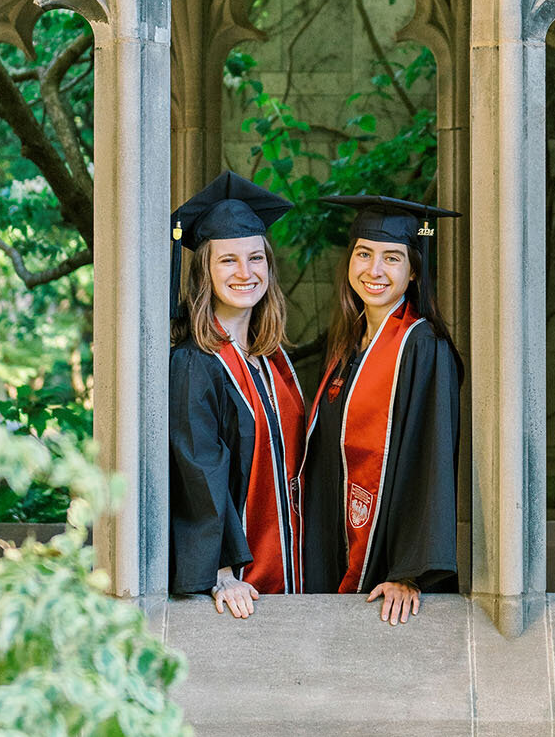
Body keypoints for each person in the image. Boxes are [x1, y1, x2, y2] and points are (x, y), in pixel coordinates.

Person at [302, 194, 462, 625]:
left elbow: (431, 458)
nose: (374, 270)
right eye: (364, 254)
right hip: (337, 557)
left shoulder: (423, 346)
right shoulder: (346, 343)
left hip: (386, 580)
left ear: (413, 273)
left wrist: (408, 572)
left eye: (391, 258)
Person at [169, 170, 305, 617]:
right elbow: (199, 468)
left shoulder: (271, 360)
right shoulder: (196, 363)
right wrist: (222, 572)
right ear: (205, 270)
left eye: (256, 258)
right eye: (228, 260)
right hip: (245, 580)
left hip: (293, 564)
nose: (246, 273)